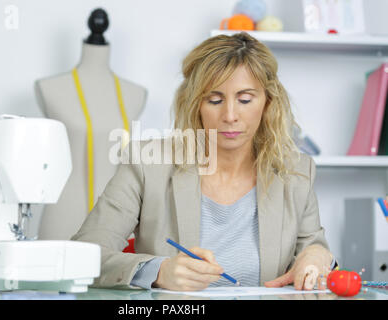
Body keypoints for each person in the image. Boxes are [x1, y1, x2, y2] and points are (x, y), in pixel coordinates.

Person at [71, 32, 336, 291]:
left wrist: (316, 256)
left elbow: (316, 248)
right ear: (195, 103)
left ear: (268, 102)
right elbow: (83, 255)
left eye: (245, 99)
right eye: (214, 99)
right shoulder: (145, 164)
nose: (230, 115)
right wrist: (158, 271)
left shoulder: (296, 171)